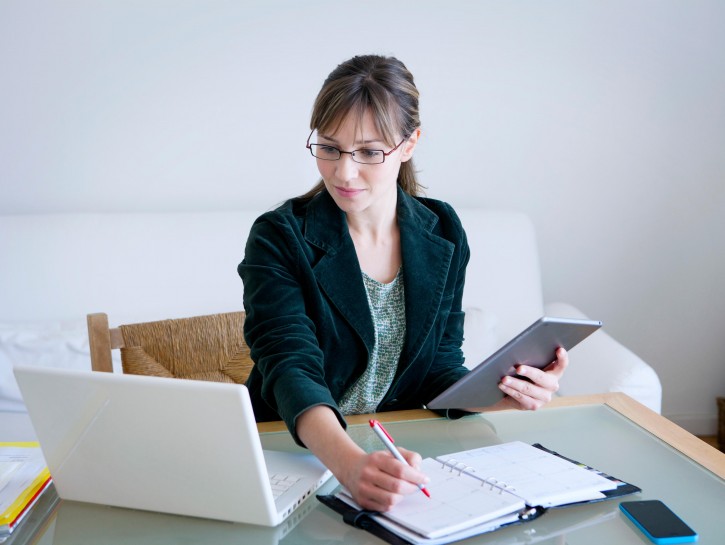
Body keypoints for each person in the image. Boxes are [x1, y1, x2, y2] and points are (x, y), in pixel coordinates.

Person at [238, 54, 568, 512]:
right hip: (293, 455)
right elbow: (290, 369)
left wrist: (505, 393)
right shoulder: (279, 235)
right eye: (329, 148)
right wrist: (350, 466)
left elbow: (437, 368)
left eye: (370, 152)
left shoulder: (443, 230)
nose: (343, 172)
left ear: (410, 143)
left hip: (396, 447)